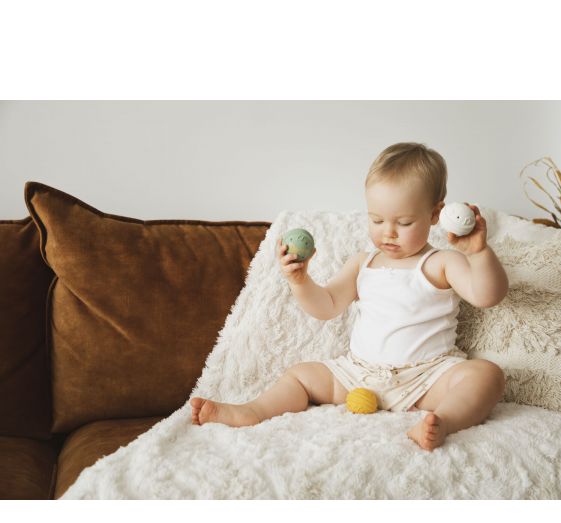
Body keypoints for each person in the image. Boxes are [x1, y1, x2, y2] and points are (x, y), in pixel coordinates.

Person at [190, 142, 508, 451]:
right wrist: (300, 281)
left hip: (425, 378)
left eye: (404, 222)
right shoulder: (361, 264)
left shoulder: (441, 262)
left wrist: (478, 253)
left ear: (435, 213)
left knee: (486, 375)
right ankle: (253, 411)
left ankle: (443, 422)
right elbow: (326, 306)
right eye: (377, 219)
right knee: (300, 375)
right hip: (358, 375)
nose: (388, 232)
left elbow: (487, 295)